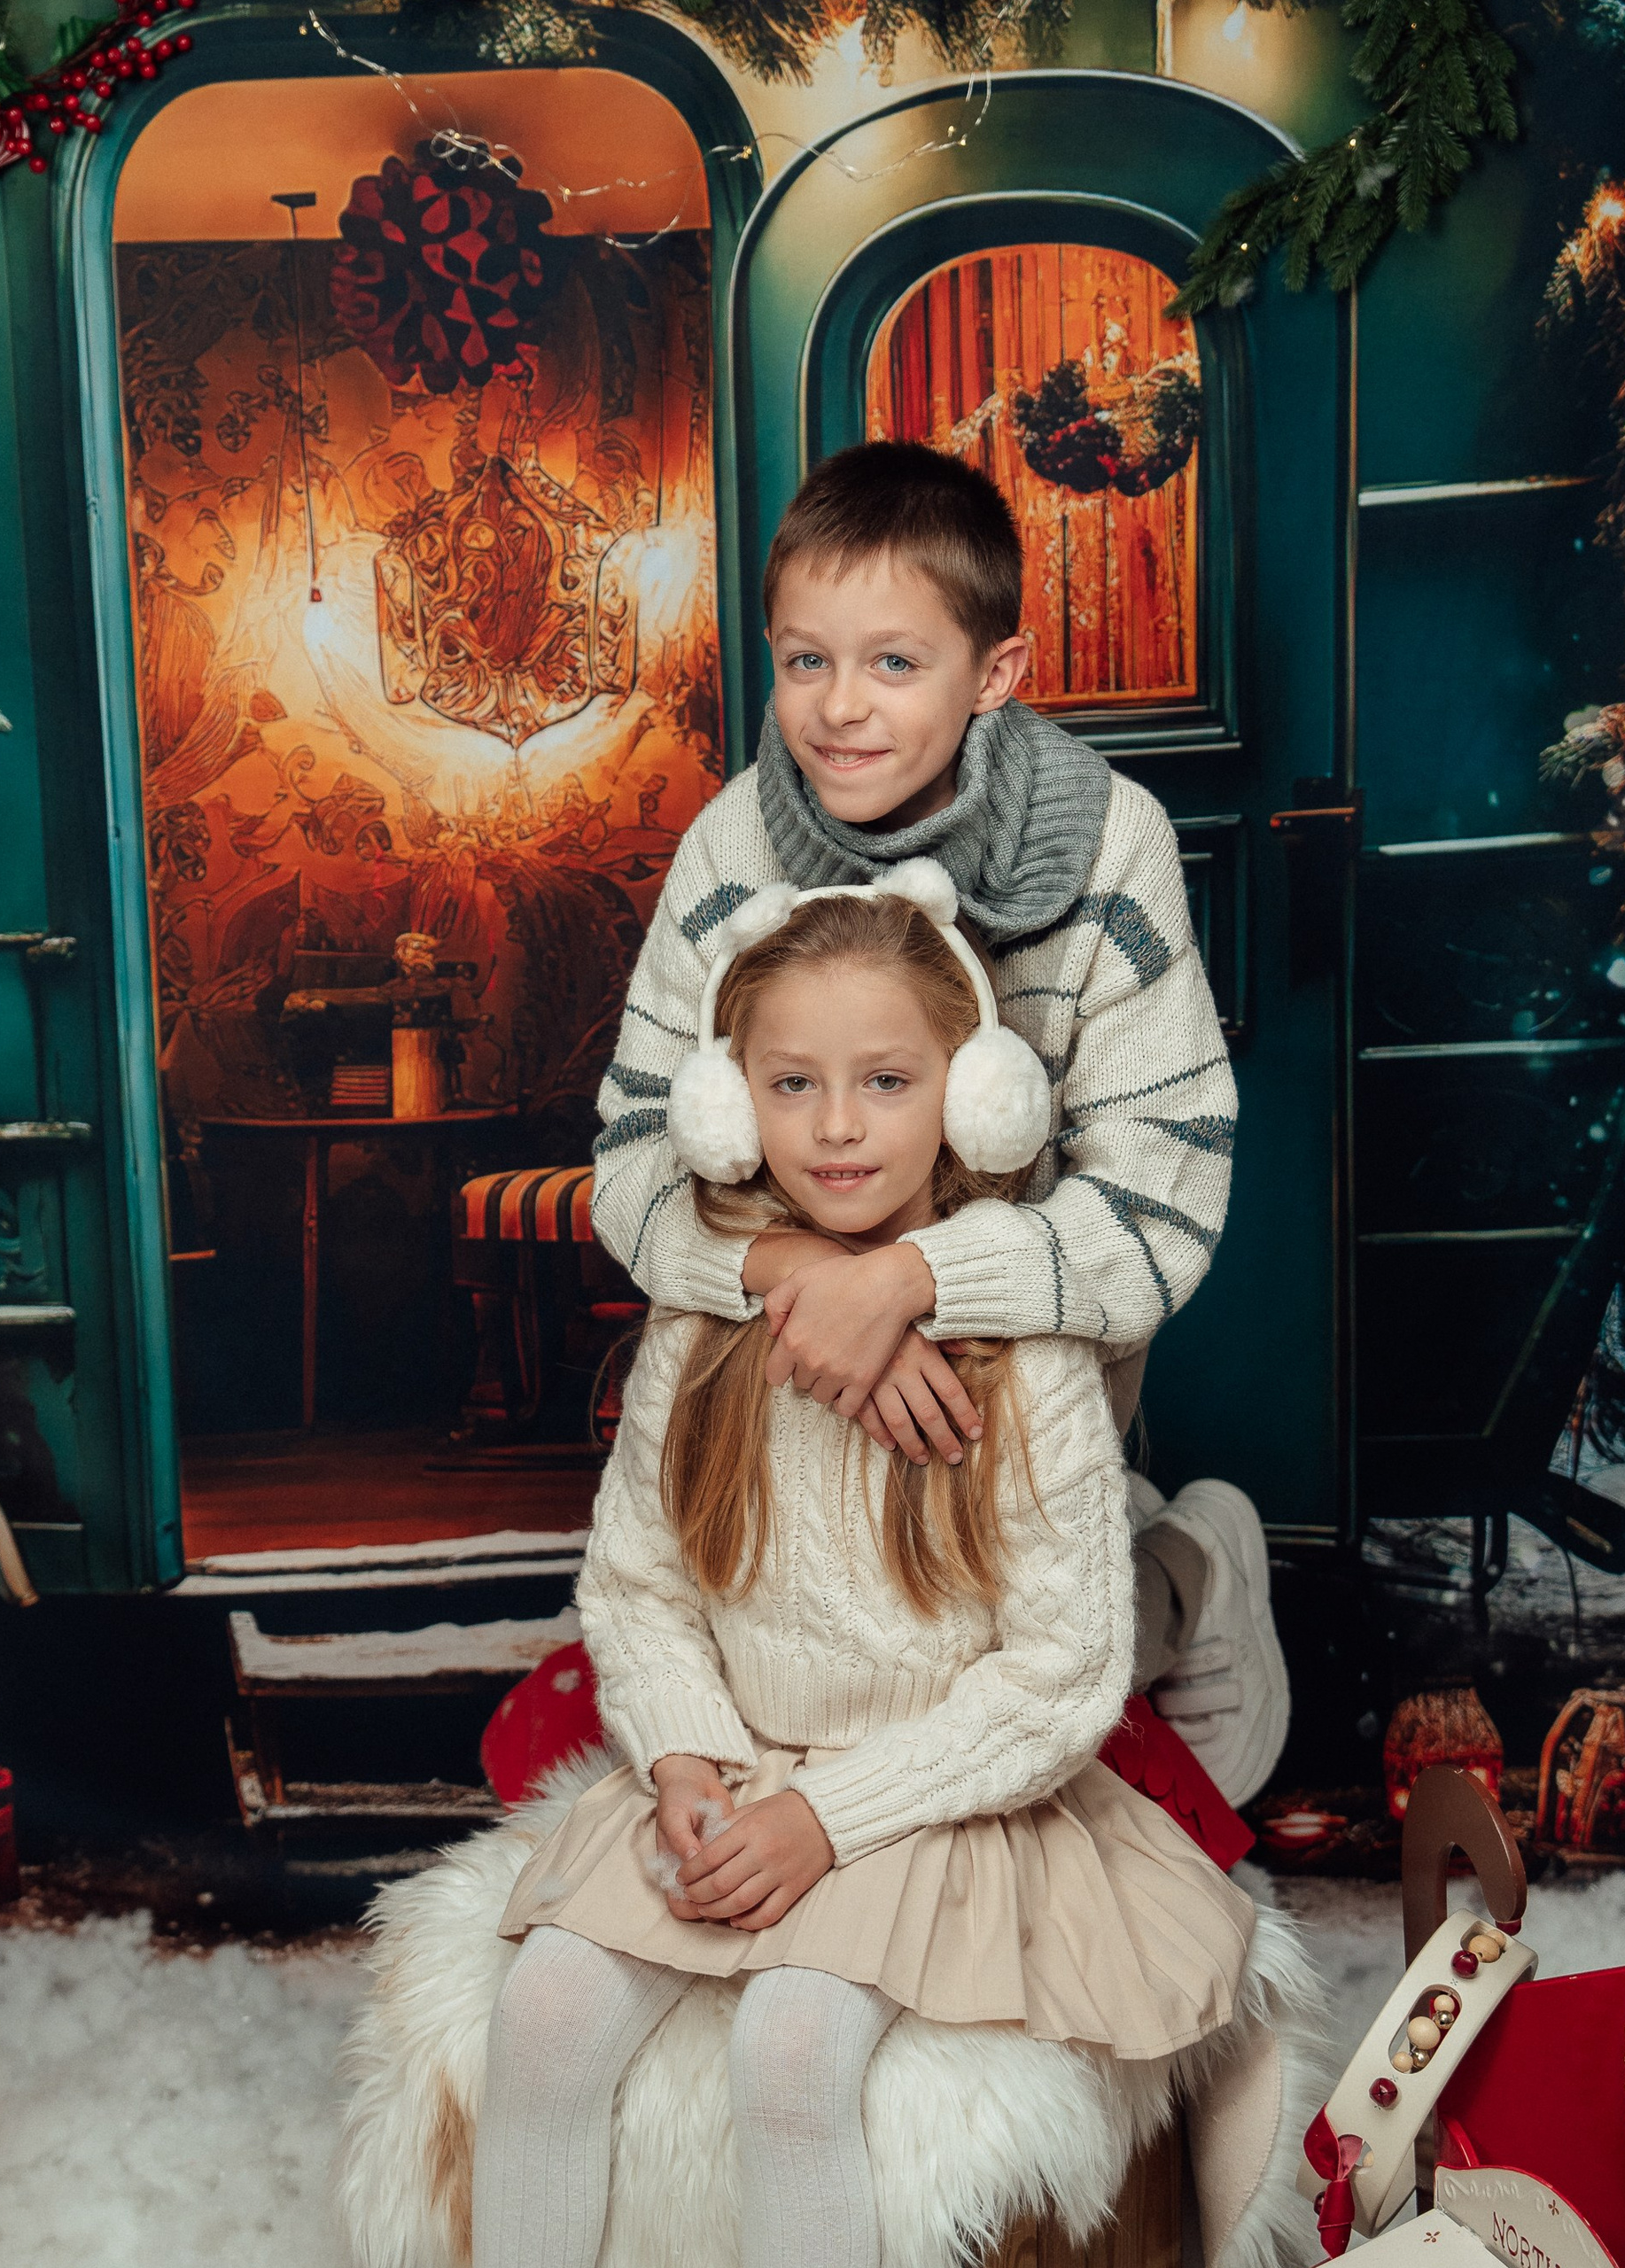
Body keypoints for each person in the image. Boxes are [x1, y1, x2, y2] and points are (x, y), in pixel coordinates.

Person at [471, 875, 1270, 2268]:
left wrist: (829, 1820)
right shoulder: (698, 1323)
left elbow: (1066, 1676)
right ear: (730, 1106)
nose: (837, 1127)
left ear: (976, 1098)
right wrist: (683, 1762)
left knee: (790, 2053)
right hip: (738, 1763)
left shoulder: (1029, 1353)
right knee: (540, 2022)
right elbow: (638, 1591)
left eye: (887, 1081)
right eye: (793, 1083)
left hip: (927, 1800)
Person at [591, 439, 1284, 1806]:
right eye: (805, 662)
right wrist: (804, 1278)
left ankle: (1189, 1577)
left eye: (895, 665)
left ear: (998, 675)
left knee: (1005, 1626)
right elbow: (627, 1169)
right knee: (815, 1631)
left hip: (1019, 1329)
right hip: (786, 1330)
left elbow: (1162, 1202)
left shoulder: (1110, 847)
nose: (841, 710)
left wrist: (917, 1283)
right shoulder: (730, 851)